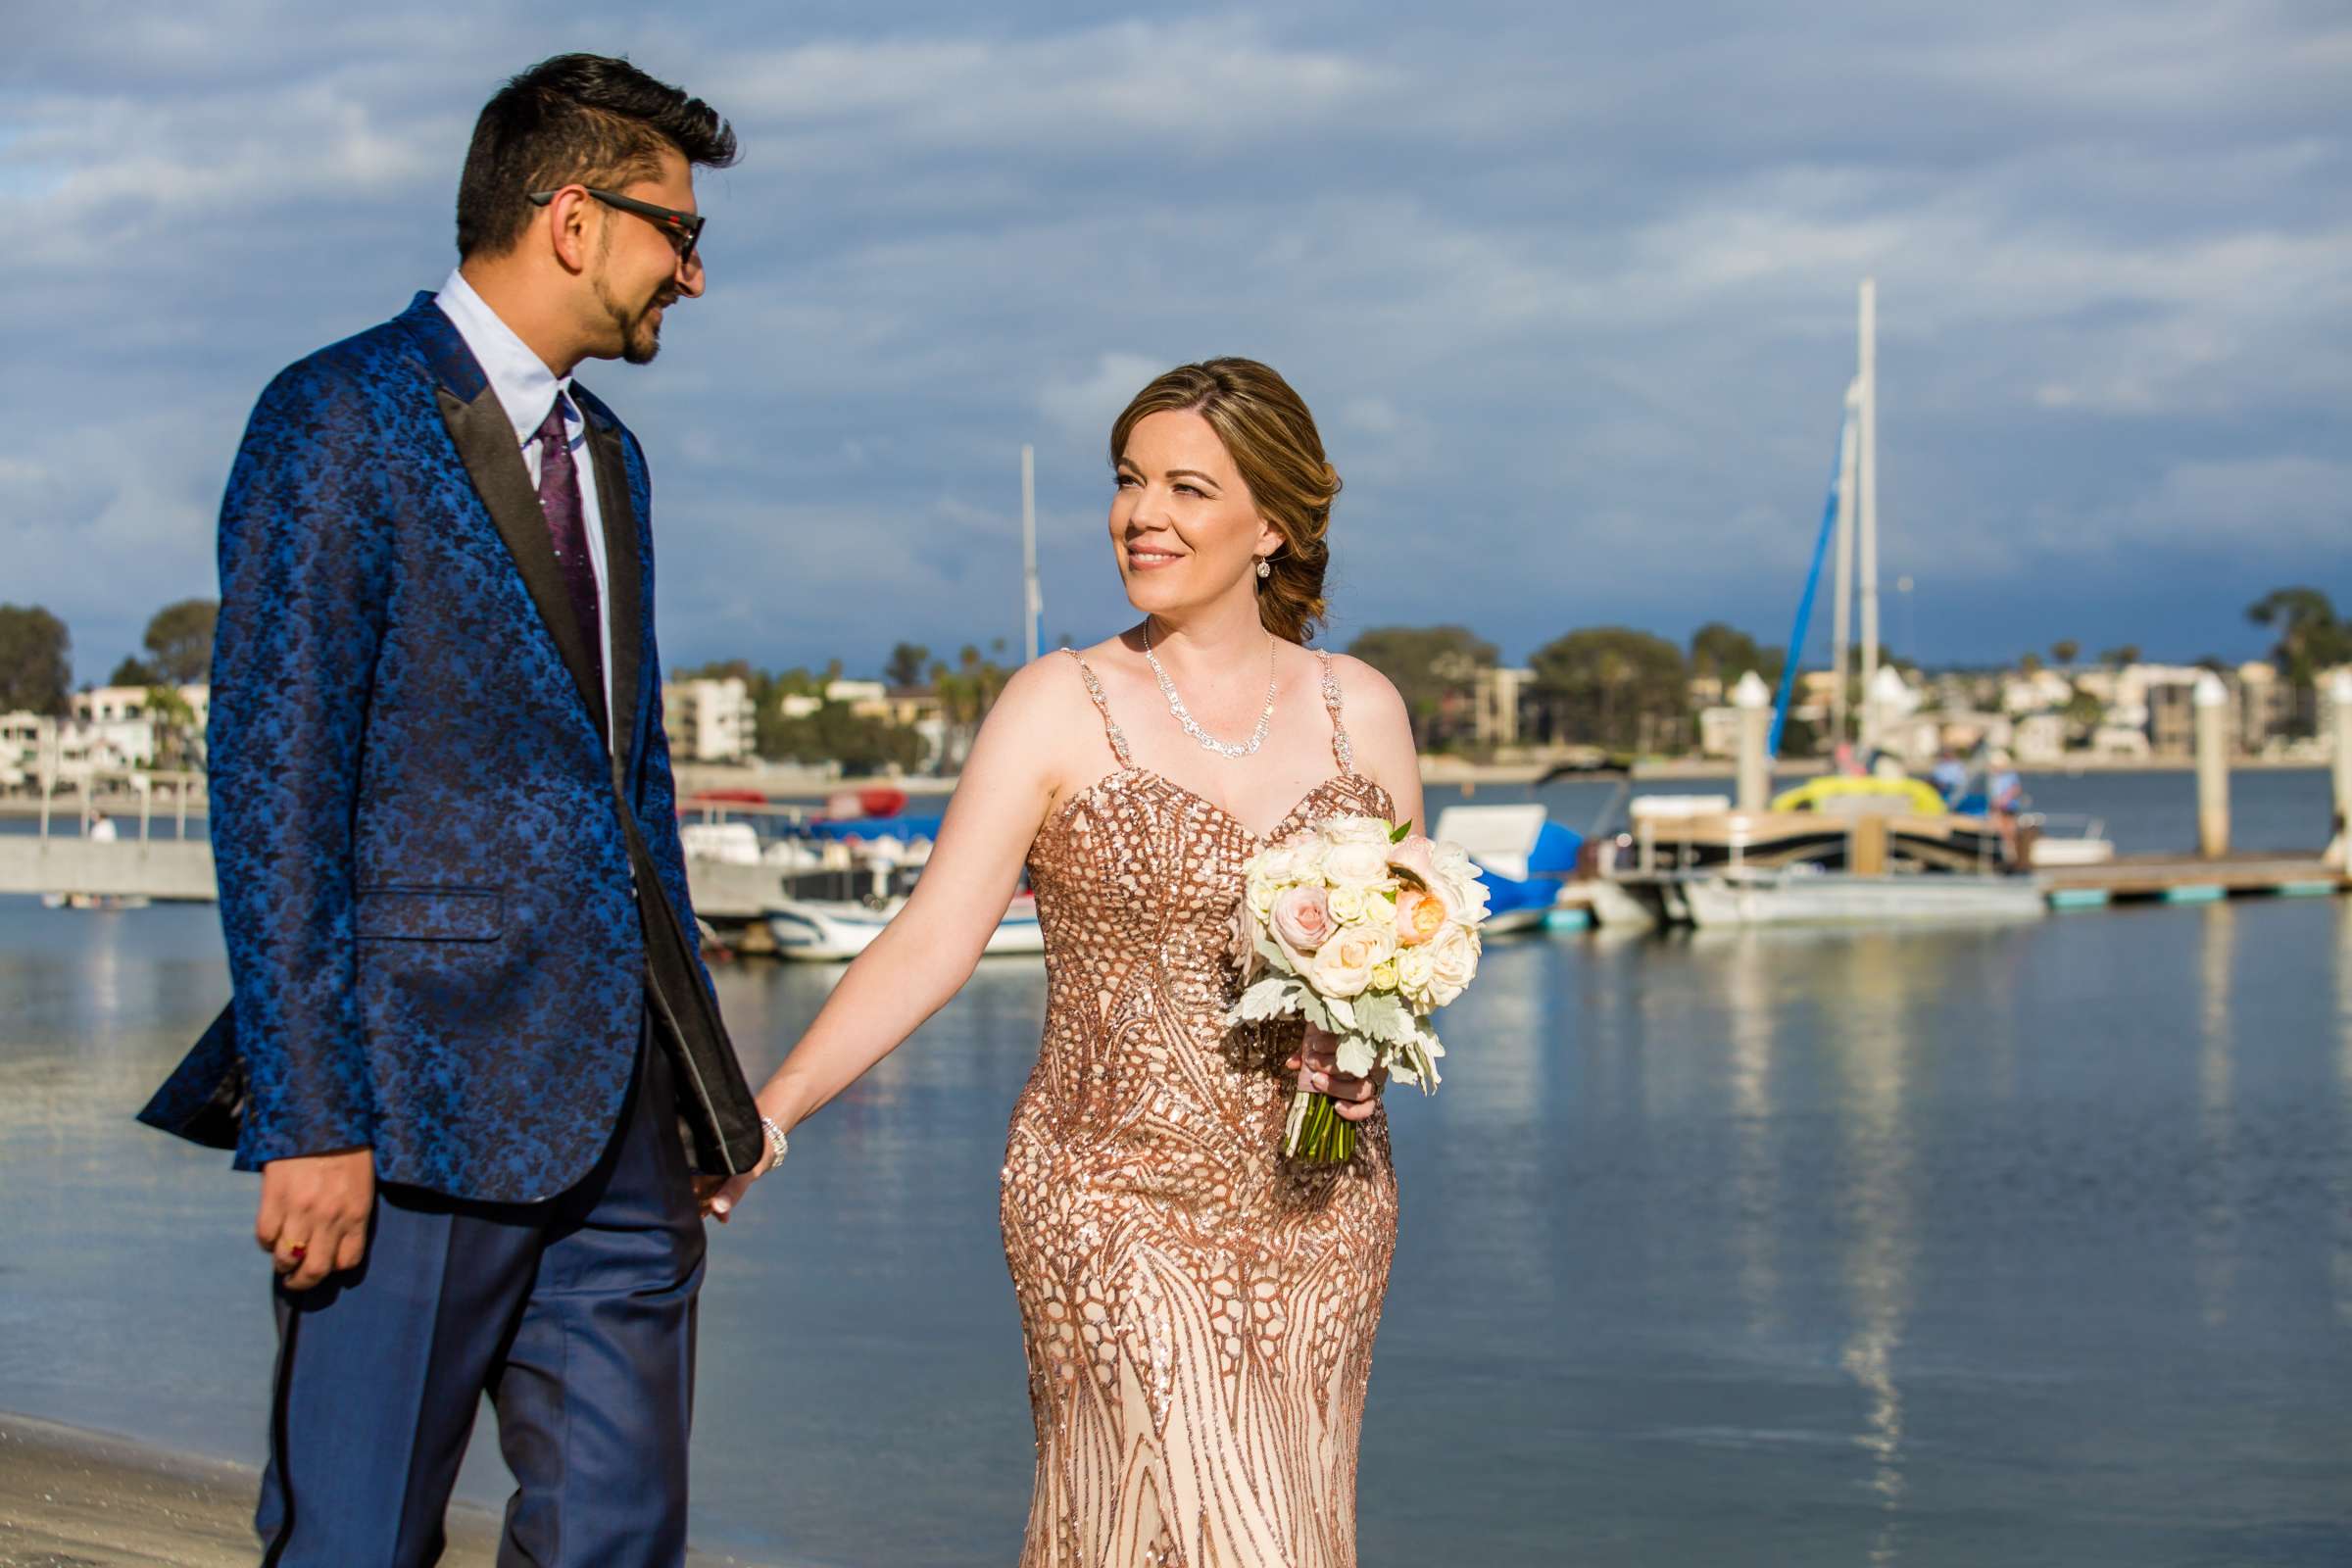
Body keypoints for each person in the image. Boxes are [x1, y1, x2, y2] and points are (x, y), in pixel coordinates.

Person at [136, 55, 765, 1566]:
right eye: (676, 232)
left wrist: (700, 1091)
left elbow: (634, 795)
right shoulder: (337, 415)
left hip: (621, 1133)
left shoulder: (612, 459)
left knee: (619, 1542)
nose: (693, 273)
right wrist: (309, 1114)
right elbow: (274, 784)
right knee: (355, 1539)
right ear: (570, 216)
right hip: (404, 1115)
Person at [707, 360, 1417, 1567]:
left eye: (1189, 487)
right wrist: (767, 1110)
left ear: (1275, 524)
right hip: (1108, 1199)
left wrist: (1363, 1068)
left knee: (1280, 1527)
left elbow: (1391, 971)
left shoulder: (1365, 709)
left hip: (1322, 1202)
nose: (1143, 514)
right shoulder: (1057, 704)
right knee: (1218, 1524)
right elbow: (933, 938)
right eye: (1129, 482)